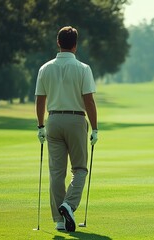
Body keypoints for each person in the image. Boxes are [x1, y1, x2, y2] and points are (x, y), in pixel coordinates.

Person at [35, 26, 98, 232]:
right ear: (75, 45)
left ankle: (59, 221)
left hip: (53, 120)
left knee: (56, 173)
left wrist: (40, 125)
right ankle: (68, 205)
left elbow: (40, 100)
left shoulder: (45, 68)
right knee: (79, 168)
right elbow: (89, 101)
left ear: (58, 42)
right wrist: (95, 128)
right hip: (76, 120)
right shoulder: (83, 68)